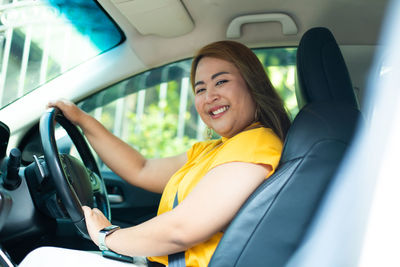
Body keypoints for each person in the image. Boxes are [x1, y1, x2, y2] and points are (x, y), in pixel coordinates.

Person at [19, 40, 291, 267]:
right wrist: (82, 120)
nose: (209, 96)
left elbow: (182, 229)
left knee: (40, 260)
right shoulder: (214, 149)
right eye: (200, 88)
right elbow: (142, 169)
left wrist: (107, 236)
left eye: (221, 82)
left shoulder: (256, 142)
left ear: (251, 84)